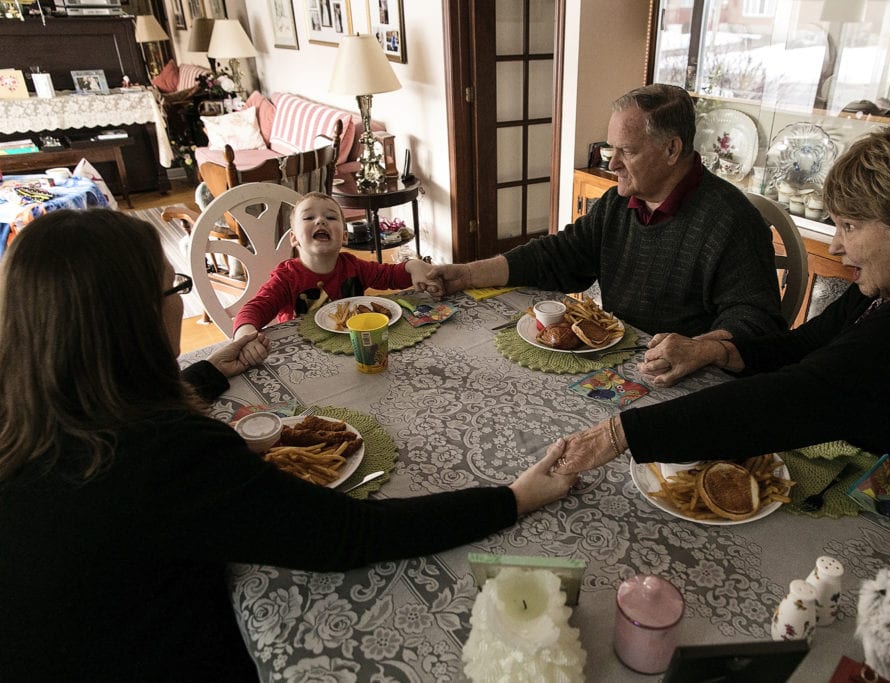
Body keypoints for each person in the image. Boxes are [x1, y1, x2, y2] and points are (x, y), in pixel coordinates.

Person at [0, 209, 576, 680]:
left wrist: (202, 375)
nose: (179, 301)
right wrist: (513, 497)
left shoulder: (22, 420)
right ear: (132, 322)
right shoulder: (168, 453)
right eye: (172, 287)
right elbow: (347, 535)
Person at [553, 117, 890, 482]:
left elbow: (796, 397)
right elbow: (804, 345)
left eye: (851, 227)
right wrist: (714, 348)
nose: (837, 246)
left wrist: (623, 433)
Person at [420, 84, 783, 342]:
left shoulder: (732, 221)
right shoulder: (617, 204)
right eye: (611, 149)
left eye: (627, 151)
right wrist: (467, 274)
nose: (613, 163)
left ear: (672, 149)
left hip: (685, 382)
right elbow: (557, 257)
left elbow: (757, 321)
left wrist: (698, 349)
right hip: (620, 361)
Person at [232, 191, 435, 365]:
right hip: (304, 356)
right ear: (293, 238)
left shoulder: (354, 266)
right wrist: (245, 336)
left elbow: (389, 276)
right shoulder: (286, 278)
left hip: (354, 351)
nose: (320, 220)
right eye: (308, 217)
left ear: (345, 237)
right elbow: (253, 309)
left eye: (330, 218)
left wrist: (413, 266)